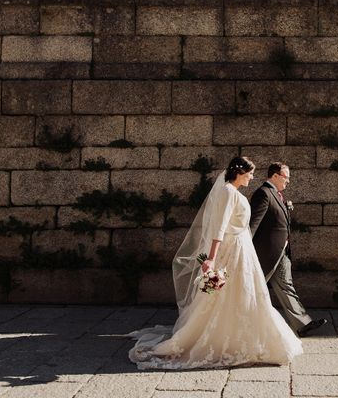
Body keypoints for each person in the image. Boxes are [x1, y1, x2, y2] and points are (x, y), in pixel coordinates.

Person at [128, 157, 303, 370]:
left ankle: (244, 336)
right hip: (233, 251)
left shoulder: (234, 192)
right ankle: (223, 338)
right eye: (250, 173)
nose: (252, 177)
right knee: (228, 295)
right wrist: (211, 258)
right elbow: (219, 227)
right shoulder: (229, 192)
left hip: (242, 250)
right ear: (240, 172)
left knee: (244, 294)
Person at [250, 162, 327, 337]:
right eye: (286, 177)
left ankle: (303, 324)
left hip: (281, 252)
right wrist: (246, 248)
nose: (288, 181)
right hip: (266, 253)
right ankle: (243, 323)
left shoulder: (277, 194)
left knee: (286, 285)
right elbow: (253, 224)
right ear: (275, 176)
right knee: (254, 289)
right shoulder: (263, 194)